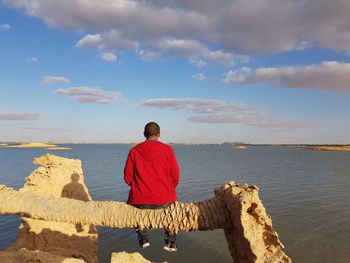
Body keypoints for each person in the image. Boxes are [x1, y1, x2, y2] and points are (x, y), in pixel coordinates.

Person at [124, 122, 180, 252]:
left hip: (139, 200)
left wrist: (139, 188)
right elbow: (175, 176)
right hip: (164, 199)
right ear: (159, 134)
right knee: (174, 210)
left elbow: (127, 177)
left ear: (144, 134)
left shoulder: (134, 151)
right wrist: (168, 189)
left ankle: (143, 236)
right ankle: (170, 241)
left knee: (136, 210)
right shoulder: (168, 150)